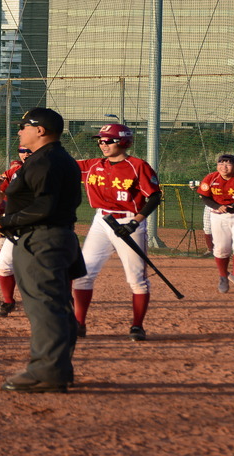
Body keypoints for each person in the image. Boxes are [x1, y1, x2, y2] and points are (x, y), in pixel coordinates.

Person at [0, 107, 84, 394]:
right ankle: (57, 369)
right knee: (58, 307)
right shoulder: (55, 159)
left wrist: (2, 221)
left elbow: (43, 206)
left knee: (45, 308)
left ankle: (45, 372)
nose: (20, 131)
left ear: (41, 130)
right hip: (54, 238)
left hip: (42, 242)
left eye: (24, 126)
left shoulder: (45, 161)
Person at [73, 123, 163, 341]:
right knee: (82, 275)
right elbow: (61, 164)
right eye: (100, 141)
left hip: (128, 222)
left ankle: (137, 326)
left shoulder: (137, 166)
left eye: (108, 140)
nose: (103, 144)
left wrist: (136, 223)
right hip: (102, 220)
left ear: (124, 142)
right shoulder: (93, 165)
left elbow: (154, 196)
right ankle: (78, 324)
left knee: (136, 278)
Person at [196, 154, 234, 293]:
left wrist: (231, 207)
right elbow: (205, 196)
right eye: (221, 163)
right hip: (218, 216)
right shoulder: (211, 177)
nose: (224, 167)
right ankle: (223, 276)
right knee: (222, 249)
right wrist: (217, 207)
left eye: (228, 164)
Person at [0, 146, 31, 317]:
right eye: (22, 150)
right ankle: (8, 302)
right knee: (4, 266)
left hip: (40, 227)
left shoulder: (46, 169)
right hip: (16, 227)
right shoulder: (12, 173)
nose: (26, 153)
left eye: (29, 150)